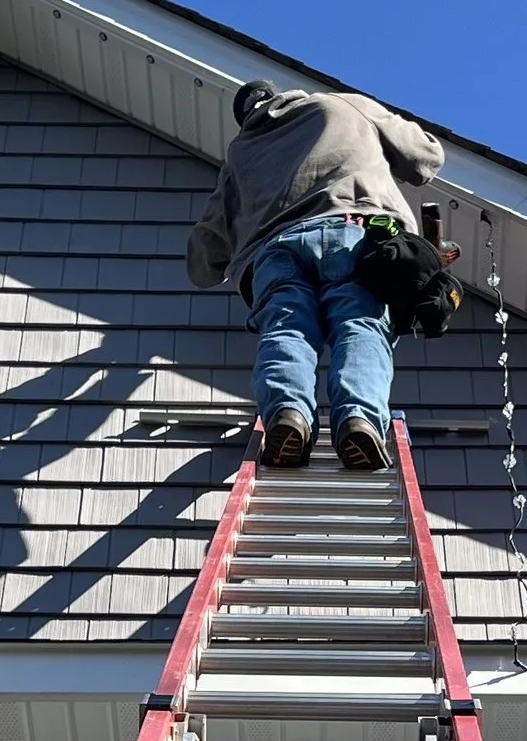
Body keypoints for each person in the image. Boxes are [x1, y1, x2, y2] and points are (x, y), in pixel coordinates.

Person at [186, 77, 446, 469]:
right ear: (280, 95)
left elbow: (204, 261)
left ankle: (287, 416)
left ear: (245, 118)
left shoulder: (241, 154)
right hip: (354, 232)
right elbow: (426, 158)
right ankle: (359, 420)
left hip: (273, 251)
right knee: (360, 323)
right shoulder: (344, 105)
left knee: (287, 329)